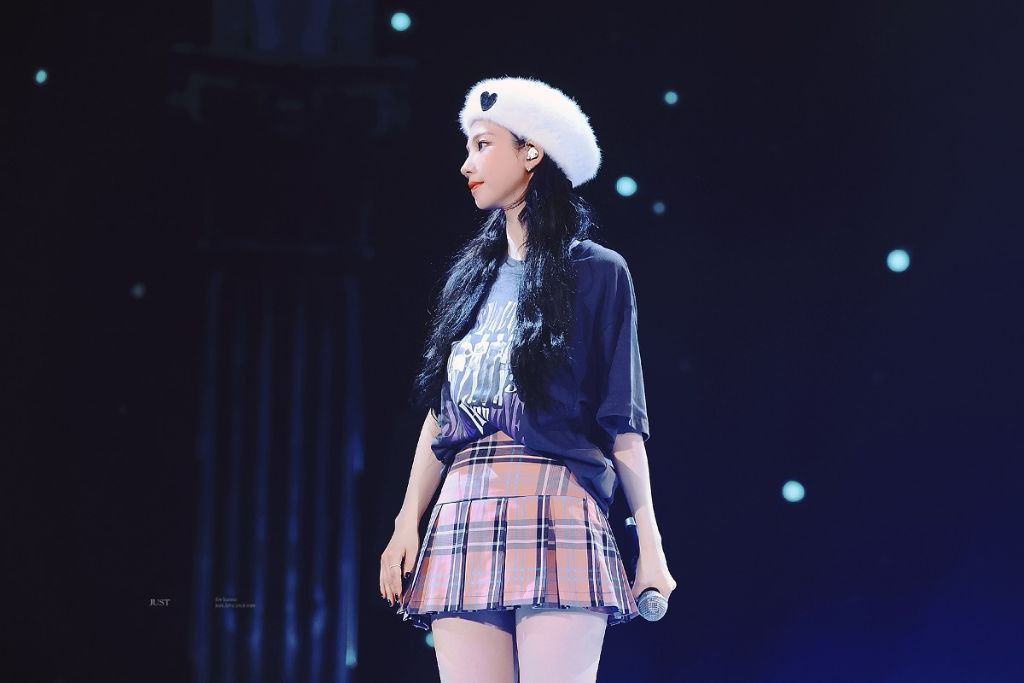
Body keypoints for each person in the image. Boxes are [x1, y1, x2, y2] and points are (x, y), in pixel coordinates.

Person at [379, 76, 676, 683]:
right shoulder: (468, 278)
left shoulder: (598, 273)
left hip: (557, 503)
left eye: (483, 145)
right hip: (462, 508)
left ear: (531, 152)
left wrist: (650, 545)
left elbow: (623, 420)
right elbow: (442, 412)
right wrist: (407, 519)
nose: (467, 164)